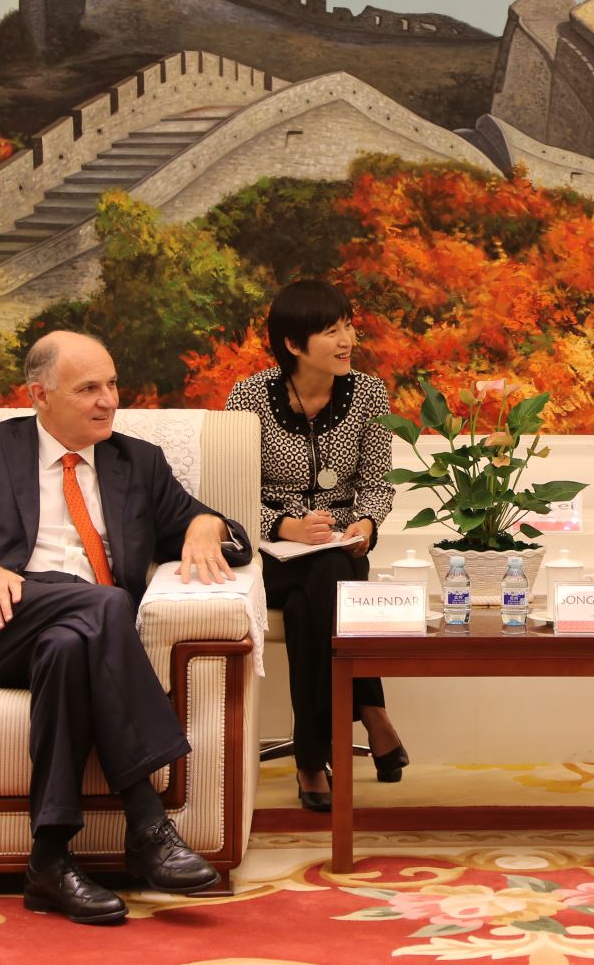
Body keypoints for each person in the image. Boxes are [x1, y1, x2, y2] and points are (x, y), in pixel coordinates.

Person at [0, 330, 250, 925]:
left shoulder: (138, 463)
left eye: (112, 384)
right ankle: (147, 821)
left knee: (70, 644)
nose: (108, 400)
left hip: (80, 635)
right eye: (88, 389)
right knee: (106, 604)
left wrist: (207, 523)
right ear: (40, 395)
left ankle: (50, 860)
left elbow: (230, 538)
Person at [227, 279, 406, 812]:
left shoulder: (369, 394)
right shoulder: (248, 398)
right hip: (271, 553)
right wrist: (284, 526)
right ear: (294, 344)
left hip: (342, 547)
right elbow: (230, 492)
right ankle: (369, 711)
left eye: (348, 326)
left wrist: (365, 524)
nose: (347, 340)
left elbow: (377, 482)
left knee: (317, 596)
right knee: (325, 581)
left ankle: (311, 755)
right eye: (331, 331)